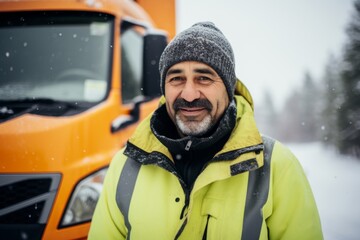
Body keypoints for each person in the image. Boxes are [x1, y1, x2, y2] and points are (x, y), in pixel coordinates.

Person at [88, 22, 323, 239]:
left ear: (228, 89)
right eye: (176, 79)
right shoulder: (125, 166)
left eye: (204, 78)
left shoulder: (275, 165)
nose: (189, 94)